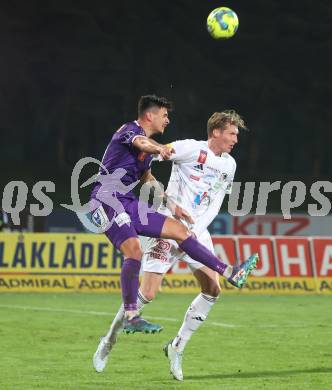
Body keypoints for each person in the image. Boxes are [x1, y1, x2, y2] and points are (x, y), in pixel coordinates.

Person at [92, 108, 259, 376]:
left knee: (213, 291)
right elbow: (155, 153)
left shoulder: (230, 164)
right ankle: (108, 341)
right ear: (216, 132)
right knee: (147, 293)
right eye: (231, 133)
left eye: (236, 135)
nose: (235, 139)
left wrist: (199, 226)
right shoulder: (190, 148)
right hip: (169, 227)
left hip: (198, 233)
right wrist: (154, 152)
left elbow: (215, 198)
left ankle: (177, 347)